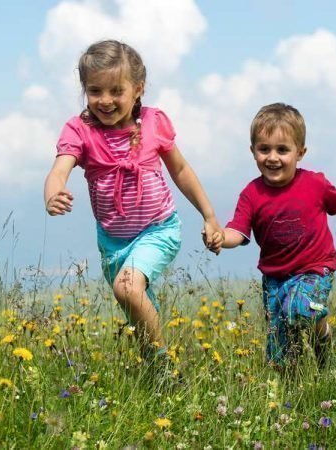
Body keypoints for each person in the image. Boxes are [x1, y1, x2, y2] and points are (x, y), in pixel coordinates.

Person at [44, 40, 224, 363]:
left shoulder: (153, 123)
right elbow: (59, 169)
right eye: (95, 90)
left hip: (159, 230)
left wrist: (209, 215)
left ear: (138, 89)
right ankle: (153, 367)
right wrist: (53, 192)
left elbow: (181, 170)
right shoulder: (80, 130)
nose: (105, 100)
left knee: (127, 288)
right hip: (113, 242)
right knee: (136, 307)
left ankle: (164, 370)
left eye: (116, 91)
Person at [218, 102, 336, 370]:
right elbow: (237, 232)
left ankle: (325, 337)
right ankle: (292, 395)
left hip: (314, 269)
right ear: (253, 152)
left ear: (300, 152)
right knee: (279, 355)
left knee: (301, 307)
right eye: (264, 149)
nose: (272, 157)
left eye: (282, 150)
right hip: (274, 278)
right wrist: (219, 237)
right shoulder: (251, 194)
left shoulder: (315, 184)